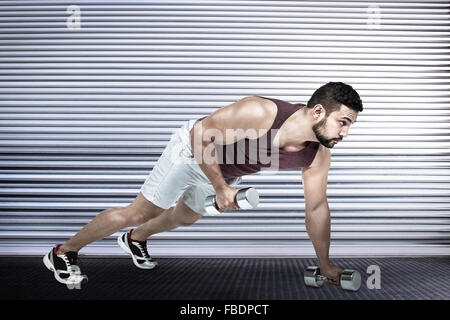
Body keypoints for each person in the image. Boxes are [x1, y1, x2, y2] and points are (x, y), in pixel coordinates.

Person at [43, 82, 363, 287]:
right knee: (142, 210)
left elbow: (317, 208)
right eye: (343, 122)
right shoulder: (261, 111)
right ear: (319, 111)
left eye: (349, 126)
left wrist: (325, 265)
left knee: (185, 216)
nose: (345, 134)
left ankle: (134, 240)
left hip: (226, 172)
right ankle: (64, 251)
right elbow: (201, 135)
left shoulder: (317, 156)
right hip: (192, 151)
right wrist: (221, 188)